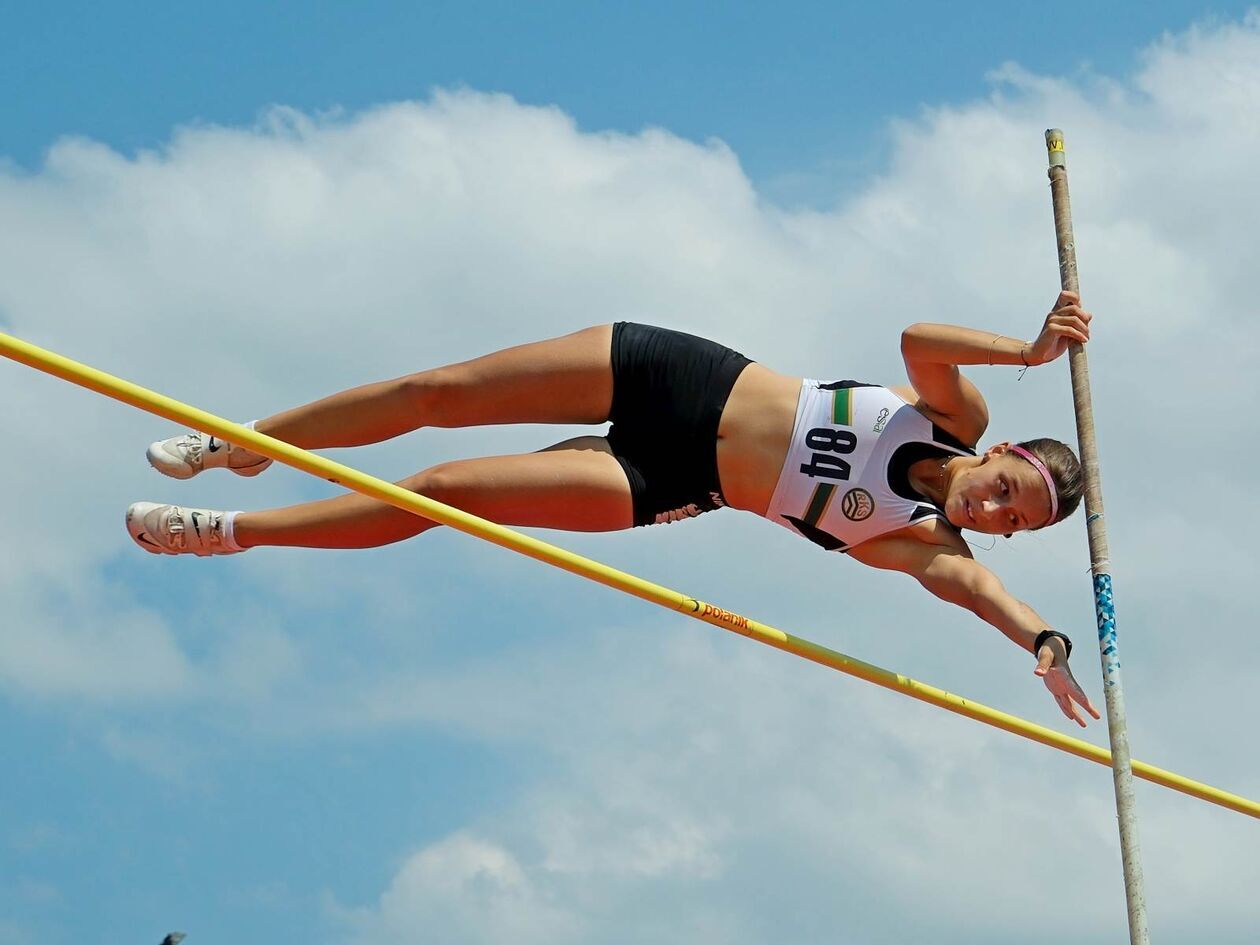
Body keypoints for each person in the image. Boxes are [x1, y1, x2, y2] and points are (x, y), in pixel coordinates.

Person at [127, 291, 1100, 726]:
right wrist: (1026, 351)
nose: (998, 512)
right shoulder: (955, 416)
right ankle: (244, 447)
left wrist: (1046, 645)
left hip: (676, 482)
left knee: (447, 497)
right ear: (1002, 454)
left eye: (1017, 522)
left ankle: (228, 535)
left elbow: (983, 595)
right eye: (1010, 490)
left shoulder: (919, 544)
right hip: (678, 377)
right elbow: (918, 335)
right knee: (440, 394)